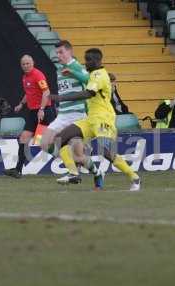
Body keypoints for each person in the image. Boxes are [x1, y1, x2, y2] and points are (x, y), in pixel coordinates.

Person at [50, 48, 141, 191]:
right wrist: (74, 73)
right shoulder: (95, 74)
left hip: (103, 119)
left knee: (105, 151)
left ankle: (134, 177)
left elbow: (88, 93)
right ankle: (73, 173)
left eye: (89, 60)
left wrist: (61, 98)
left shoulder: (99, 74)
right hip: (91, 119)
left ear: (98, 61)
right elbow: (88, 81)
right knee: (60, 138)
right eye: (85, 60)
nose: (86, 63)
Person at [4, 55, 56, 178]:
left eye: (28, 63)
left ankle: (72, 159)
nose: (26, 66)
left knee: (44, 143)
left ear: (33, 63)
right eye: (23, 64)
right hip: (33, 113)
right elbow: (29, 93)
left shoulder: (38, 75)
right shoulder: (25, 77)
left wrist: (42, 109)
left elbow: (46, 92)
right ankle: (17, 170)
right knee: (23, 138)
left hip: (44, 112)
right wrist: (21, 104)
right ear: (21, 65)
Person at [40, 40, 89, 153]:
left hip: (77, 116)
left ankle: (91, 167)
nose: (58, 55)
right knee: (44, 143)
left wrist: (72, 72)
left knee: (78, 154)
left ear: (70, 51)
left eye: (61, 52)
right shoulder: (59, 70)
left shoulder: (76, 66)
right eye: (57, 53)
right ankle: (78, 159)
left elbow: (88, 80)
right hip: (62, 116)